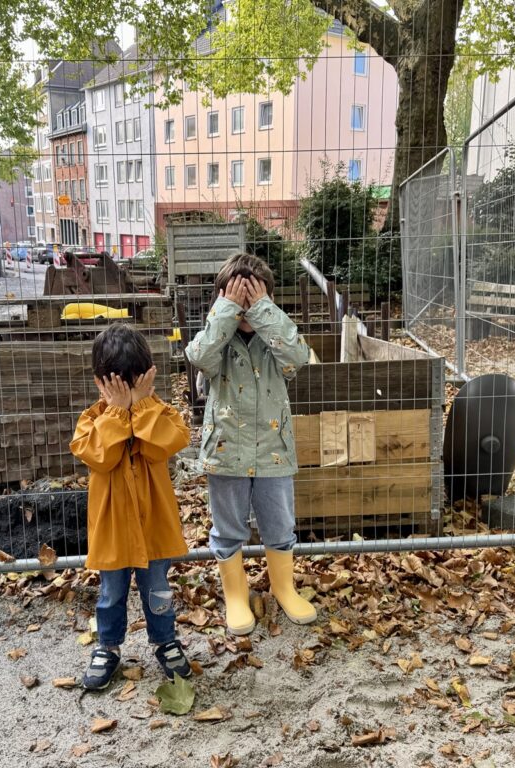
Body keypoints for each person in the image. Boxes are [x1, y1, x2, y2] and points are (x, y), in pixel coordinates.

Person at [185, 253, 316, 636]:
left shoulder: (275, 340)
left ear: (267, 301)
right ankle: (236, 595)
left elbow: (298, 355)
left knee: (279, 525)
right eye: (237, 300)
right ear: (222, 300)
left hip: (274, 450)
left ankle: (283, 588)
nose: (245, 308)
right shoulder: (216, 342)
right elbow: (198, 355)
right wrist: (226, 312)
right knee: (228, 529)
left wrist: (263, 311)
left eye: (253, 299)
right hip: (226, 452)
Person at [70, 324, 193, 690]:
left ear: (146, 379)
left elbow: (164, 445)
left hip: (153, 526)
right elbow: (100, 457)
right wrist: (117, 414)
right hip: (113, 531)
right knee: (111, 594)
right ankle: (108, 647)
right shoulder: (92, 421)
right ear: (100, 384)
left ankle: (165, 640)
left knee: (158, 589)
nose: (124, 392)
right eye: (117, 386)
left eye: (132, 384)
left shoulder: (160, 413)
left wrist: (138, 409)